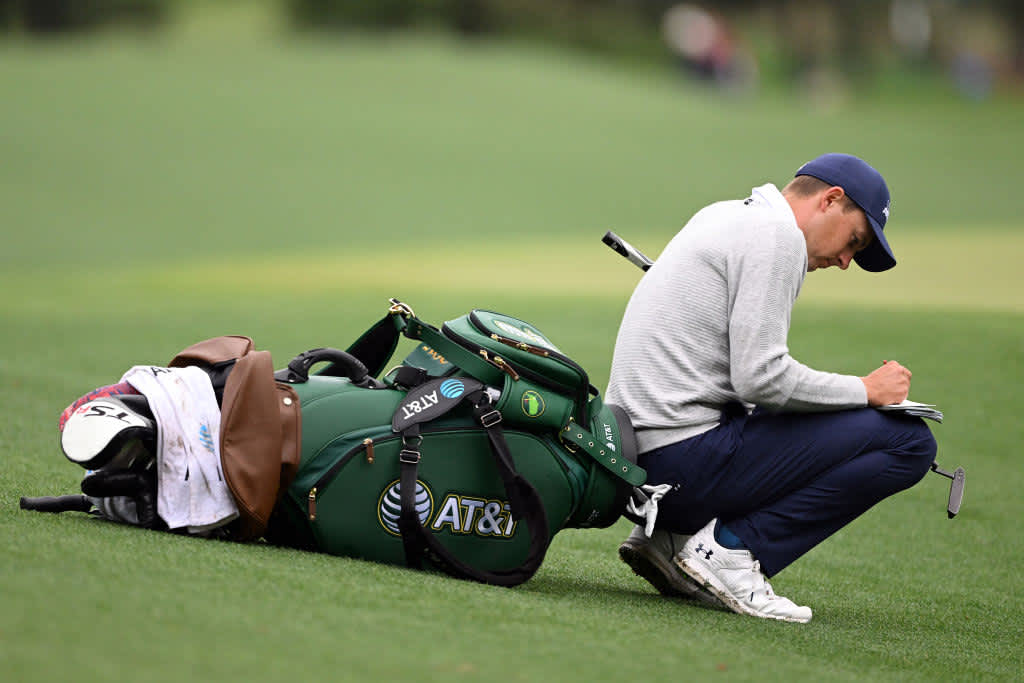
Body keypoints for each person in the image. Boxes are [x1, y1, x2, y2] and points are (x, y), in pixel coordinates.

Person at [607, 153, 937, 623]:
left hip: (640, 468)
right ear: (831, 200)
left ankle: (670, 541)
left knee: (822, 418)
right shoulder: (777, 236)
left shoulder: (725, 213)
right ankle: (729, 552)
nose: (846, 261)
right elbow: (761, 379)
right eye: (854, 240)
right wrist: (867, 390)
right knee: (909, 441)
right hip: (679, 469)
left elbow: (742, 384)